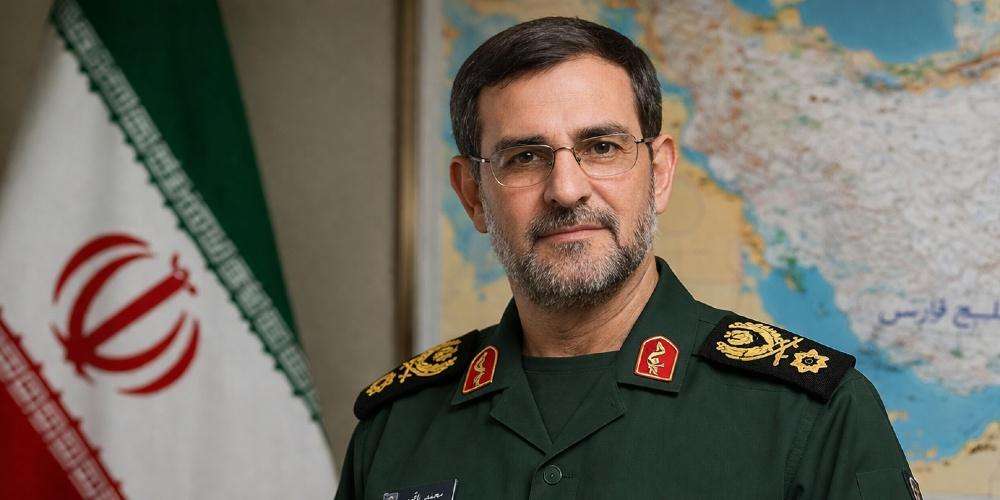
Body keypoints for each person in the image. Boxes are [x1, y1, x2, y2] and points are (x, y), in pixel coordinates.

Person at [335, 17, 918, 500]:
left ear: (659, 173)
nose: (567, 189)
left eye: (602, 147)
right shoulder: (395, 428)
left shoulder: (813, 416)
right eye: (525, 157)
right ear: (472, 195)